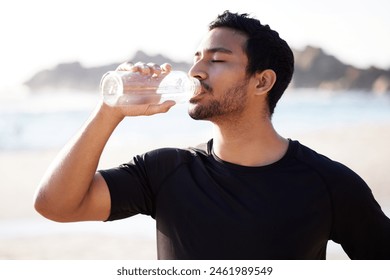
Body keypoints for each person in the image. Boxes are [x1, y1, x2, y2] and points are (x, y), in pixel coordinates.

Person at [34, 10, 390, 260]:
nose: (195, 71)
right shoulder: (164, 171)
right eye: (196, 58)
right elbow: (56, 205)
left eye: (216, 60)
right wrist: (109, 111)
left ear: (262, 81)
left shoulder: (329, 184)